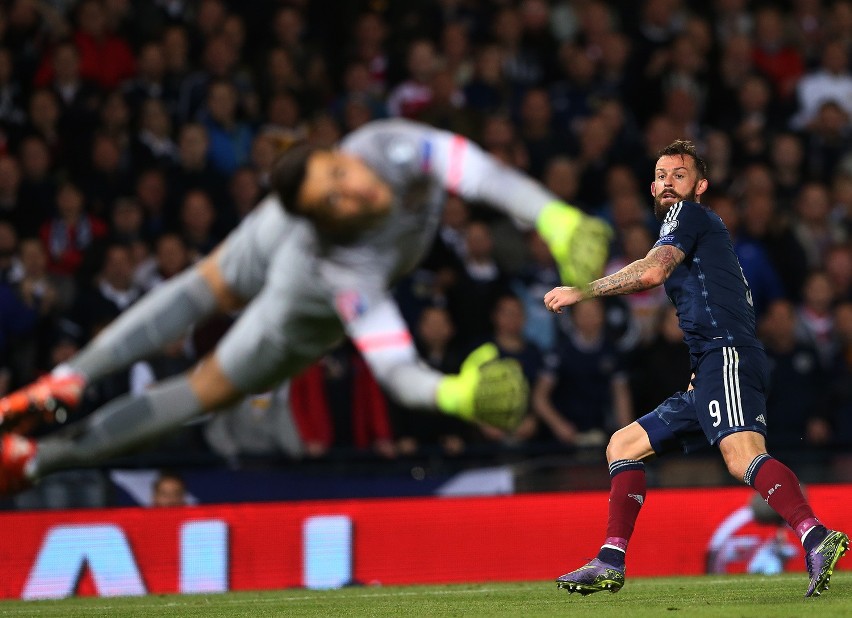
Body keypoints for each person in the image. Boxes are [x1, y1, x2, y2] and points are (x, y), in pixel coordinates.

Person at [0, 119, 611, 491]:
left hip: (279, 213)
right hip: (297, 293)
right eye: (335, 199)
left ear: (339, 154)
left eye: (338, 172)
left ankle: (64, 381)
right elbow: (396, 371)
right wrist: (455, 394)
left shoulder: (383, 145)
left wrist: (550, 216)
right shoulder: (342, 264)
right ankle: (41, 451)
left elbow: (479, 174)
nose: (353, 188)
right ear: (324, 221)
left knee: (200, 284)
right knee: (202, 381)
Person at [543, 139, 848, 598]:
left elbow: (651, 273)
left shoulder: (687, 217)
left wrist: (581, 292)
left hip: (725, 356)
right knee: (623, 445)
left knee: (741, 455)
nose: (668, 182)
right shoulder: (693, 228)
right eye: (661, 175)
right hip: (711, 364)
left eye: (679, 175)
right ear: (651, 185)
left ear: (700, 185)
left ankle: (815, 535)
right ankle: (610, 559)